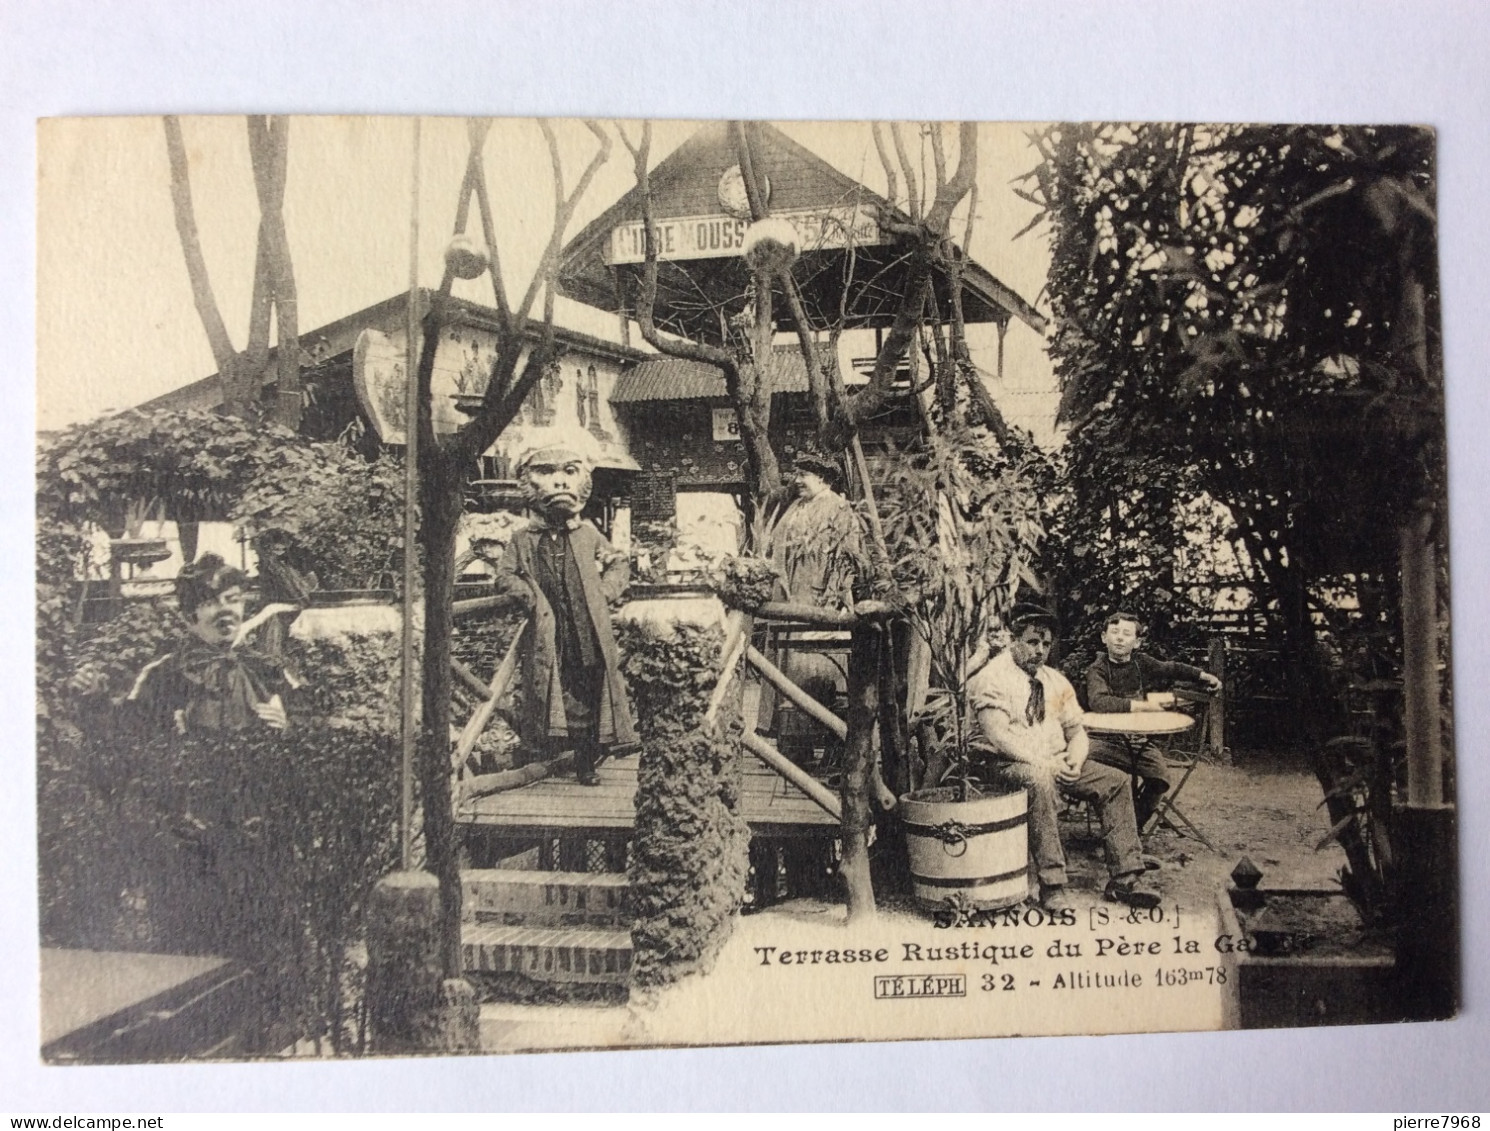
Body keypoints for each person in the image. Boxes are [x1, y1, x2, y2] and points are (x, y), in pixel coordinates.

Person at [968, 603, 1162, 913]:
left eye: (1045, 644)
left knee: (1115, 780)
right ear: (1013, 640)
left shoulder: (1054, 680)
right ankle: (1053, 885)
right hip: (1007, 765)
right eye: (1032, 641)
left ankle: (1125, 877)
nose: (1040, 650)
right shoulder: (993, 678)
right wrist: (1046, 763)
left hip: (1056, 760)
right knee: (1039, 780)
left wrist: (1074, 760)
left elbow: (1077, 730)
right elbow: (999, 737)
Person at [491, 427, 638, 786]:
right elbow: (504, 576)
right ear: (528, 482)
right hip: (547, 632)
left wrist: (604, 591)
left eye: (568, 472)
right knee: (550, 689)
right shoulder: (522, 539)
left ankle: (586, 763)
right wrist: (529, 596)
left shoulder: (588, 534)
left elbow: (619, 563)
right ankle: (547, 756)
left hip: (585, 630)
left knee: (587, 689)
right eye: (546, 472)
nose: (559, 483)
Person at [125, 552, 299, 734]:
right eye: (210, 603)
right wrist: (170, 731)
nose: (226, 609)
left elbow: (310, 738)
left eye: (233, 600)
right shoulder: (163, 675)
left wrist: (286, 727)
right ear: (189, 617)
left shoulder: (268, 671)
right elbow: (134, 740)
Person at [1084, 610, 1223, 827]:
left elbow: (1171, 668)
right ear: (1104, 637)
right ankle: (1114, 824)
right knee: (1106, 777)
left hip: (1137, 741)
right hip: (1104, 741)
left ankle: (1132, 828)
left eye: (1127, 634)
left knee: (1160, 778)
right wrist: (1142, 706)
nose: (1120, 638)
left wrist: (1203, 675)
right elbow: (1099, 702)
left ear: (1137, 642)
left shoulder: (1141, 662)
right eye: (1115, 632)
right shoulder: (1097, 669)